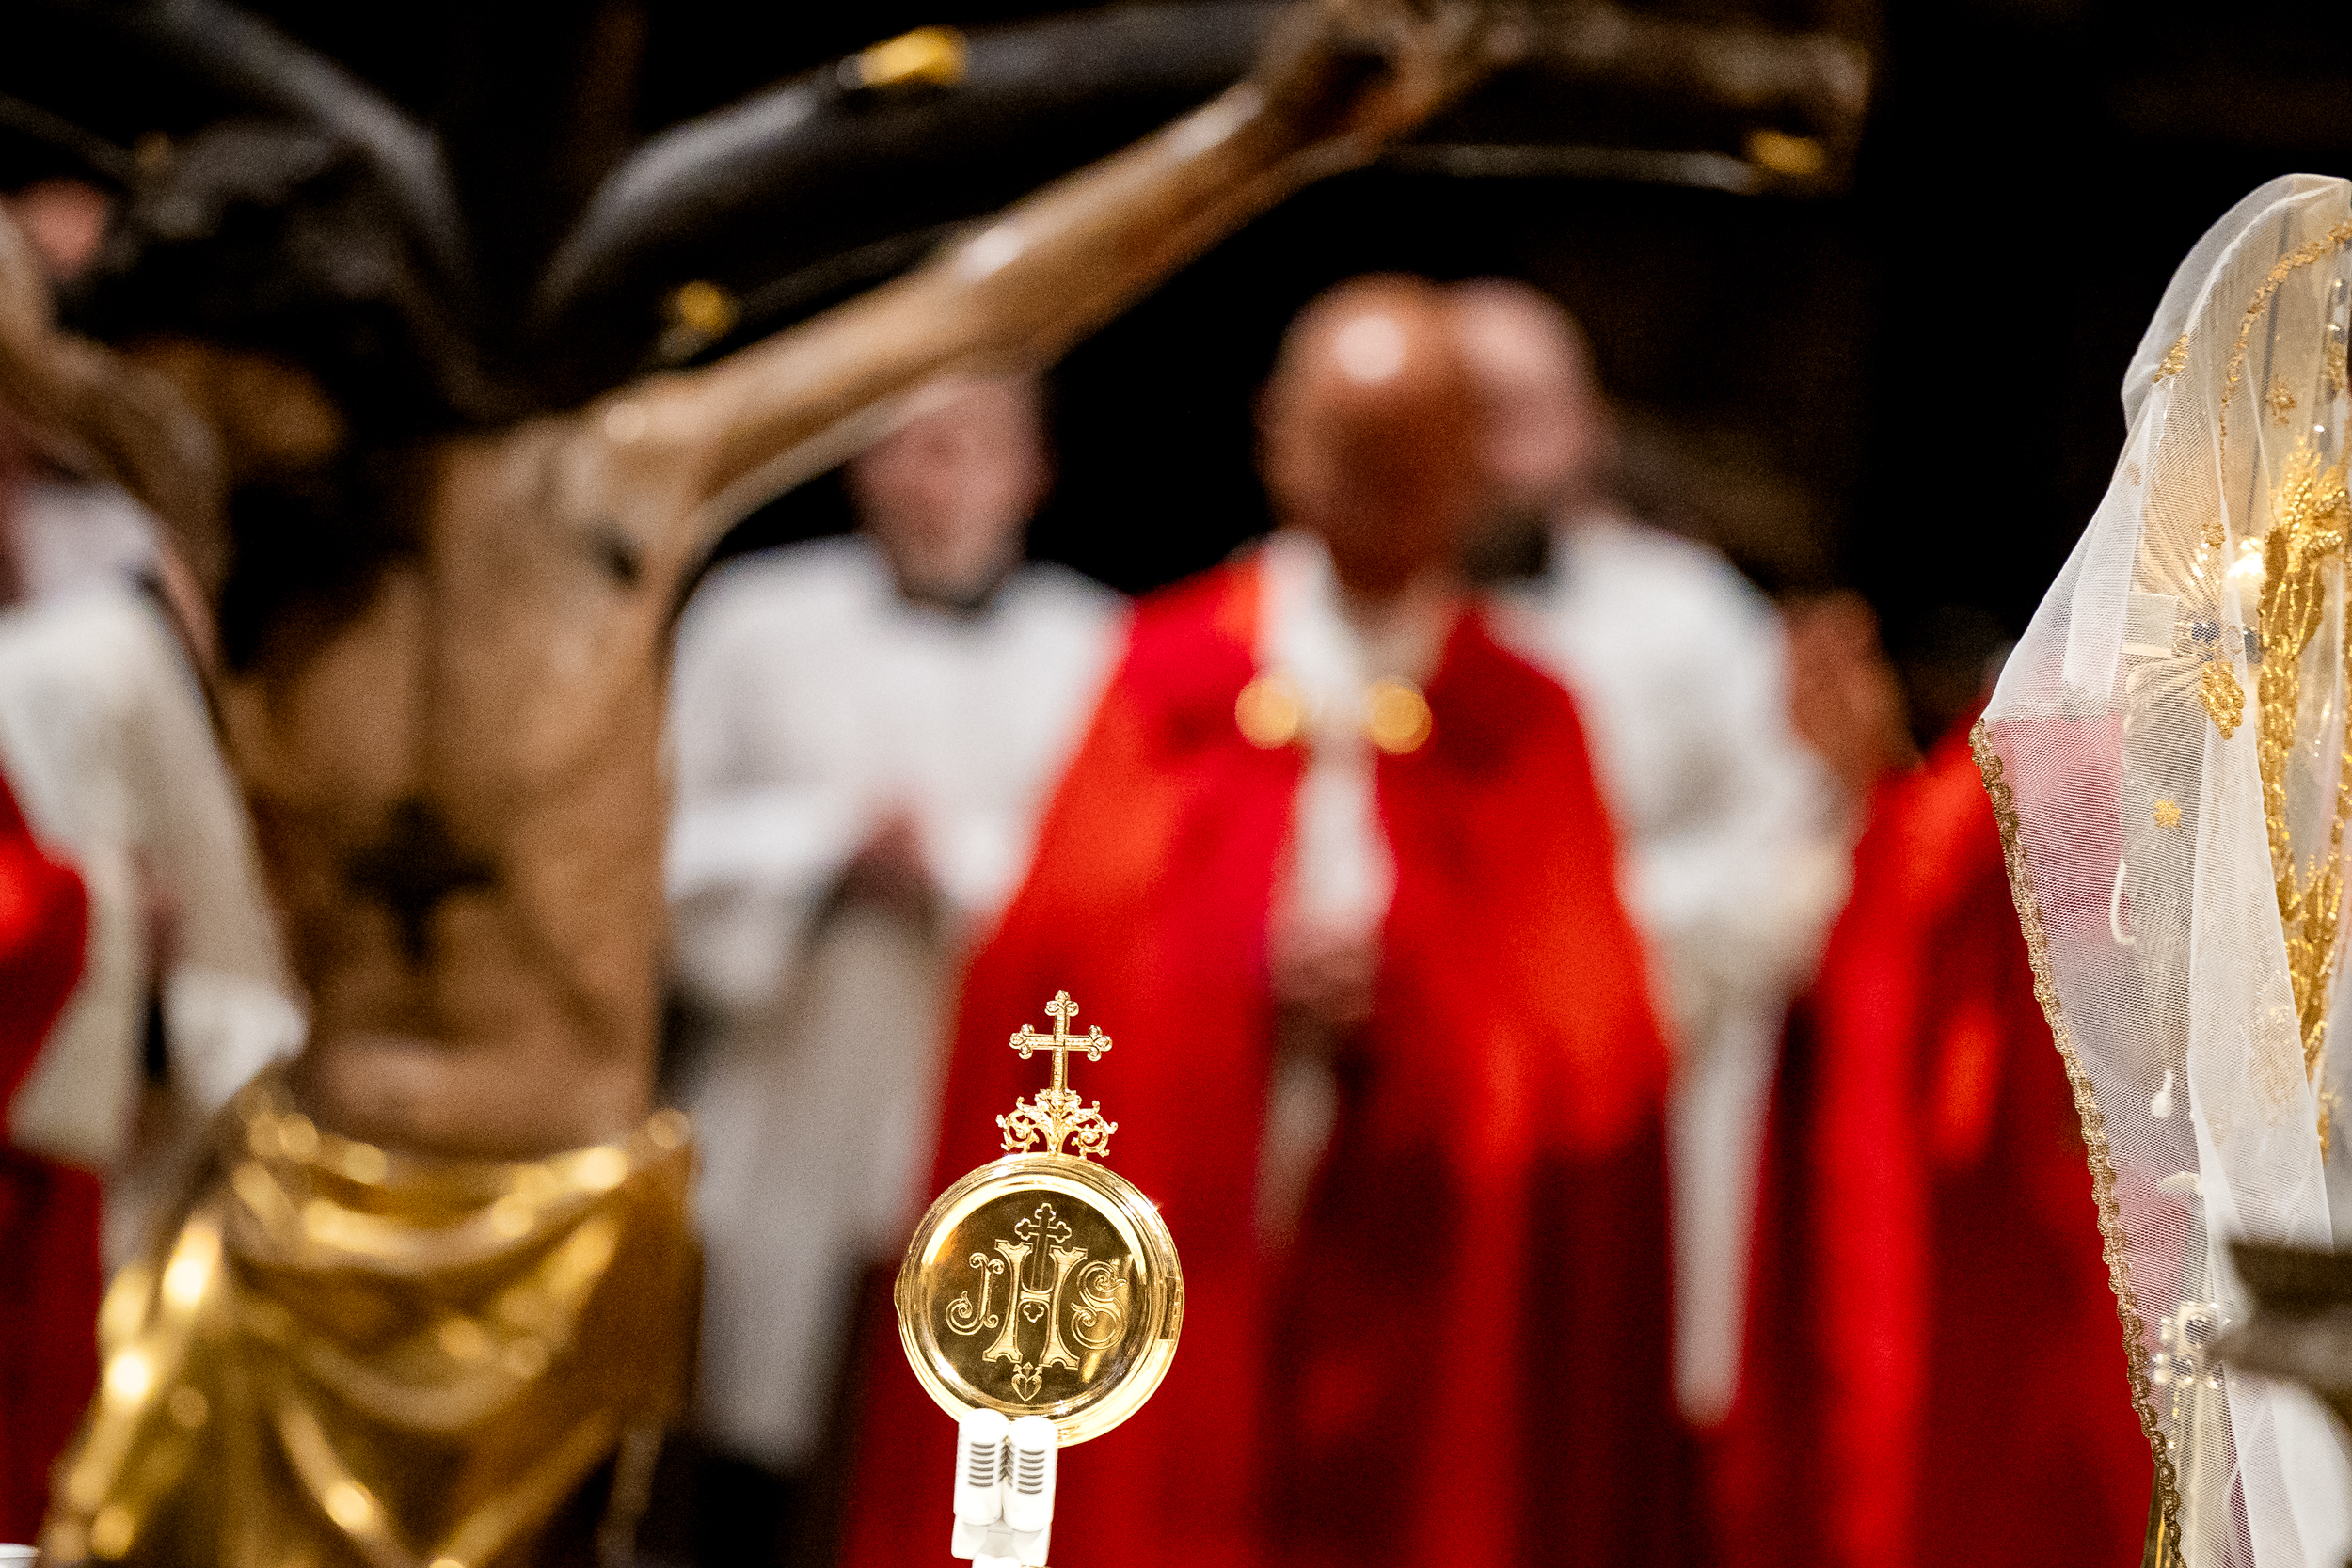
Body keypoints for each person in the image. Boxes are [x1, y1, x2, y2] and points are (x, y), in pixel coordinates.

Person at [0, 5, 1502, 1561]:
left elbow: (969, 312)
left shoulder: (609, 488)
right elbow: (24, 341)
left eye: (214, 398)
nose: (175, 433)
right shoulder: (229, 502)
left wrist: (1267, 136)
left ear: (317, 351)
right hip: (294, 1197)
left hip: (551, 1209)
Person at [841, 276, 1690, 1568]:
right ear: (1282, 442)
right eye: (1354, 456)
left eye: (1414, 464)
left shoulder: (1522, 717)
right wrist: (1227, 971)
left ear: (1467, 471)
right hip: (1191, 1218)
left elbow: (1593, 1045)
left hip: (1421, 1273)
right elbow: (1047, 973)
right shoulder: (1171, 673)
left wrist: (1420, 995)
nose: (1382, 498)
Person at [664, 373, 1120, 1561]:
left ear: (1032, 474)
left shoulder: (1098, 646)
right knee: (741, 1438)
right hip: (787, 1070)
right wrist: (821, 844)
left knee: (958, 1442)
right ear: (861, 464)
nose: (939, 482)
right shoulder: (755, 620)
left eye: (973, 449)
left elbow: (1116, 884)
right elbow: (652, 843)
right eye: (913, 448)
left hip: (988, 1081)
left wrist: (954, 867)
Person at [1450, 278, 1851, 1436]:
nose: (1497, 451)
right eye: (1467, 414)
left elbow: (1787, 845)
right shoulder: (1346, 608)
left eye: (1525, 413)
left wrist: (1597, 945)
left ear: (1585, 427)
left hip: (1631, 1070)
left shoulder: (1689, 615)